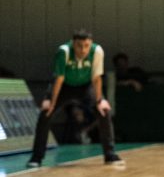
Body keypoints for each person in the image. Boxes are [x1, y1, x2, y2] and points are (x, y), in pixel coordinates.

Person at [27, 29, 124, 168]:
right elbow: (58, 79)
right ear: (73, 43)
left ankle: (110, 155)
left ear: (91, 44)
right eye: (79, 46)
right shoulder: (64, 51)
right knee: (45, 114)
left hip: (86, 86)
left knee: (104, 112)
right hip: (64, 86)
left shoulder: (97, 51)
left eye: (86, 46)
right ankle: (36, 158)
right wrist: (51, 102)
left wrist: (99, 100)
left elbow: (96, 78)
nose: (83, 50)